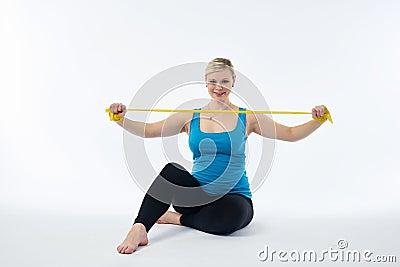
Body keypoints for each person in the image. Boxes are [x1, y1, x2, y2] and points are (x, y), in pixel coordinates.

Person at [108, 58, 329, 254]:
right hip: (195, 198)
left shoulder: (247, 118)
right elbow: (148, 131)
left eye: (224, 81)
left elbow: (290, 134)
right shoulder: (190, 116)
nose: (218, 87)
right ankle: (140, 228)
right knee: (171, 171)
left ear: (233, 82)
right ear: (206, 83)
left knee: (232, 218)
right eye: (213, 81)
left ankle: (177, 219)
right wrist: (120, 119)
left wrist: (317, 120)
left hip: (233, 198)